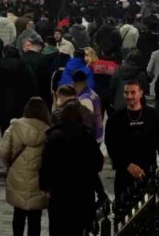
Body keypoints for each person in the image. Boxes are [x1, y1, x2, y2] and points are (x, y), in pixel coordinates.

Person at [40, 101, 103, 236]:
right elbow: (98, 164)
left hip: (60, 193)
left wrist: (44, 185)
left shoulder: (53, 136)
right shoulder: (87, 136)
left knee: (59, 229)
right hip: (82, 193)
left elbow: (46, 164)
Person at [105, 79, 159, 199]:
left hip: (148, 170)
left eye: (133, 92)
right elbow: (111, 146)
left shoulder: (153, 116)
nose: (129, 96)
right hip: (124, 174)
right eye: (126, 92)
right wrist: (127, 165)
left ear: (141, 93)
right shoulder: (115, 119)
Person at [0, 97, 51, 236]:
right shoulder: (48, 131)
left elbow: (3, 151)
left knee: (18, 214)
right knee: (35, 217)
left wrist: (7, 165)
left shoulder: (15, 127)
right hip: (38, 179)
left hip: (17, 175)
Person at [0, 46, 36, 135]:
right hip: (20, 103)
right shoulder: (23, 65)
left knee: (5, 130)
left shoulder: (0, 65)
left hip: (3, 103)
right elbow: (30, 84)